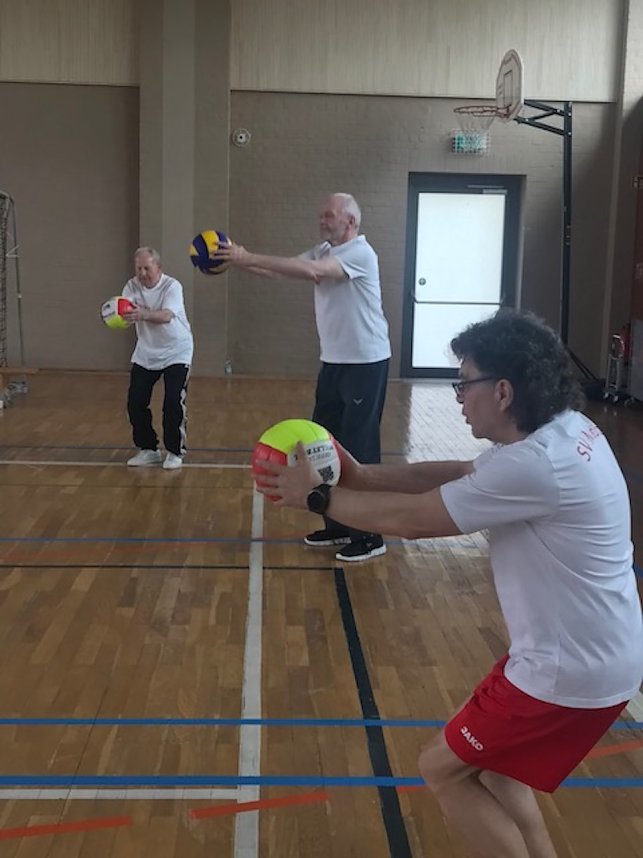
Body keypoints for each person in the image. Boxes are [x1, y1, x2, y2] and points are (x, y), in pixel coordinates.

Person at [253, 309, 643, 858]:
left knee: (443, 769)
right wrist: (361, 475)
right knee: (494, 770)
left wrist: (318, 497)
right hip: (580, 653)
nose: (458, 397)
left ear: (502, 391)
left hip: (568, 670)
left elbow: (415, 521)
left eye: (465, 384)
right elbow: (463, 473)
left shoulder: (538, 465)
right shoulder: (559, 431)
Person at [217, 193, 391, 562]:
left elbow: (313, 272)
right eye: (321, 215)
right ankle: (338, 524)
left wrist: (245, 256)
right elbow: (281, 269)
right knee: (326, 446)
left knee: (359, 449)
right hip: (333, 362)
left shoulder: (360, 253)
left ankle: (370, 535)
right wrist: (236, 260)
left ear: (351, 222)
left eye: (329, 215)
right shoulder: (324, 249)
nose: (322, 221)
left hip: (365, 363)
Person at [121, 247, 193, 470]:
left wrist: (142, 314)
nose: (142, 273)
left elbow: (166, 315)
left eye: (147, 268)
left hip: (176, 350)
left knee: (172, 402)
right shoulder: (131, 286)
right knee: (135, 402)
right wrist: (118, 316)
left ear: (158, 268)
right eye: (139, 268)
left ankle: (175, 451)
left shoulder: (172, 286)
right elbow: (124, 311)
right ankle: (148, 449)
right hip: (146, 352)